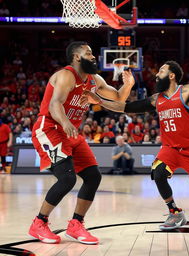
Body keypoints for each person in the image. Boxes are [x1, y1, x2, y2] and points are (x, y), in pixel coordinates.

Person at [81, 60, 189, 231]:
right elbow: (124, 107)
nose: (157, 74)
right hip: (171, 148)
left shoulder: (186, 91)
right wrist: (100, 101)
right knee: (158, 173)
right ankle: (175, 213)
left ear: (172, 75)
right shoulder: (157, 99)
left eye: (162, 71)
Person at [29, 41, 135, 244]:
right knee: (67, 178)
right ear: (77, 57)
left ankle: (75, 224)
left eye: (93, 53)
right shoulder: (66, 75)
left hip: (70, 133)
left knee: (93, 176)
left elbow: (119, 98)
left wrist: (128, 85)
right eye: (89, 53)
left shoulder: (94, 79)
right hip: (49, 128)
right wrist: (66, 122)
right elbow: (55, 103)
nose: (94, 56)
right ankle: (39, 223)